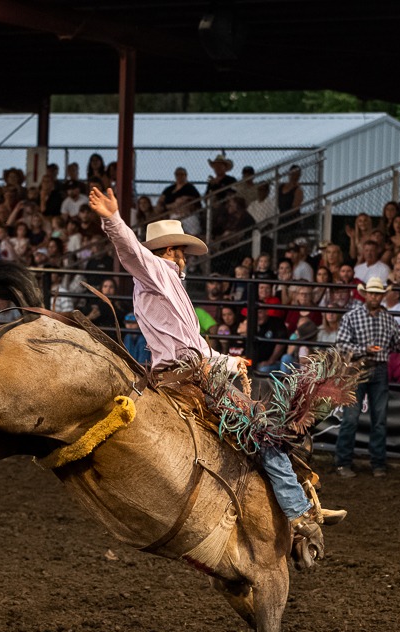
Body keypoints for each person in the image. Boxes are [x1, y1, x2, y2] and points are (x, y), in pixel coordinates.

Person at [88, 185, 344, 569]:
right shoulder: (155, 271)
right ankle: (300, 513)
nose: (180, 257)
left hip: (189, 371)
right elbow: (131, 250)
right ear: (165, 253)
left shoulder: (168, 284)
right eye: (175, 250)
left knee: (256, 429)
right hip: (187, 376)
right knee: (264, 432)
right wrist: (113, 220)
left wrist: (227, 361)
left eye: (181, 251)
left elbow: (194, 347)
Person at [334, 277, 400, 478]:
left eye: (378, 294)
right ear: (366, 294)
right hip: (357, 369)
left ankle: (375, 462)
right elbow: (341, 345)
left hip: (377, 369)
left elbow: (398, 342)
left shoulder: (388, 319)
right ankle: (346, 462)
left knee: (379, 419)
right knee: (351, 418)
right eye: (372, 293)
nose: (375, 297)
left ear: (382, 296)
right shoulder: (352, 316)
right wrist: (363, 350)